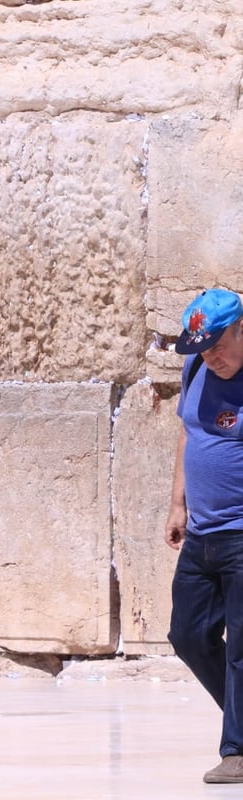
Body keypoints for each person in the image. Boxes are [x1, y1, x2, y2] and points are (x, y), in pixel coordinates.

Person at [165, 287, 243, 782]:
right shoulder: (197, 367)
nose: (211, 356)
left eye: (218, 344)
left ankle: (235, 750)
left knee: (242, 645)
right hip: (202, 532)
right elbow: (189, 432)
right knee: (188, 636)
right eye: (202, 348)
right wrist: (178, 502)